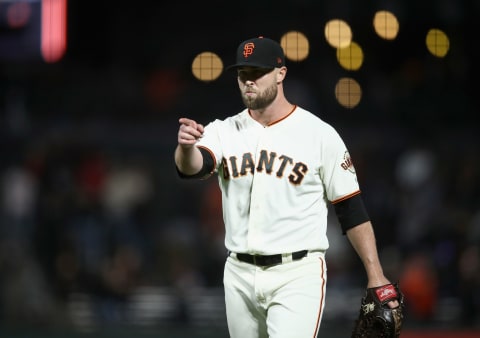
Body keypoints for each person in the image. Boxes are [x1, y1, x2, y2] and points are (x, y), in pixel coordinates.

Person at [174, 36, 399, 338]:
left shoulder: (319, 135)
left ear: (281, 73)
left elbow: (350, 209)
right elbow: (193, 167)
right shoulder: (223, 130)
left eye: (257, 73)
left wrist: (375, 273)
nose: (248, 82)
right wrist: (186, 147)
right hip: (239, 272)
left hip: (297, 273)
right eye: (243, 74)